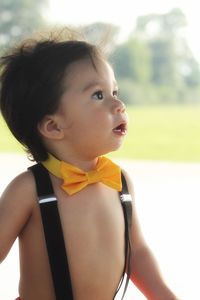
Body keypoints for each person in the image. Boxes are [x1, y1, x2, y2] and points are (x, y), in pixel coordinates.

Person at [0, 29, 180, 300]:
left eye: (114, 91)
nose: (118, 104)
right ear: (53, 126)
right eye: (98, 95)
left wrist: (164, 295)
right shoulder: (29, 190)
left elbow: (137, 251)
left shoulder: (119, 181)